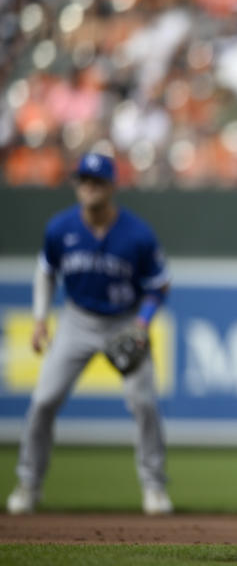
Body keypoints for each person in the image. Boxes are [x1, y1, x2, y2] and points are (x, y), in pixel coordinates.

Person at [6, 152, 173, 515]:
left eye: (97, 181)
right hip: (77, 321)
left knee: (144, 403)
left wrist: (142, 323)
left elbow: (159, 285)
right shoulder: (60, 228)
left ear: (112, 186)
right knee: (44, 401)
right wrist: (39, 318)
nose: (89, 187)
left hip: (126, 321)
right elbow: (45, 271)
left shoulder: (138, 233)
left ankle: (154, 487)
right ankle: (29, 484)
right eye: (83, 180)